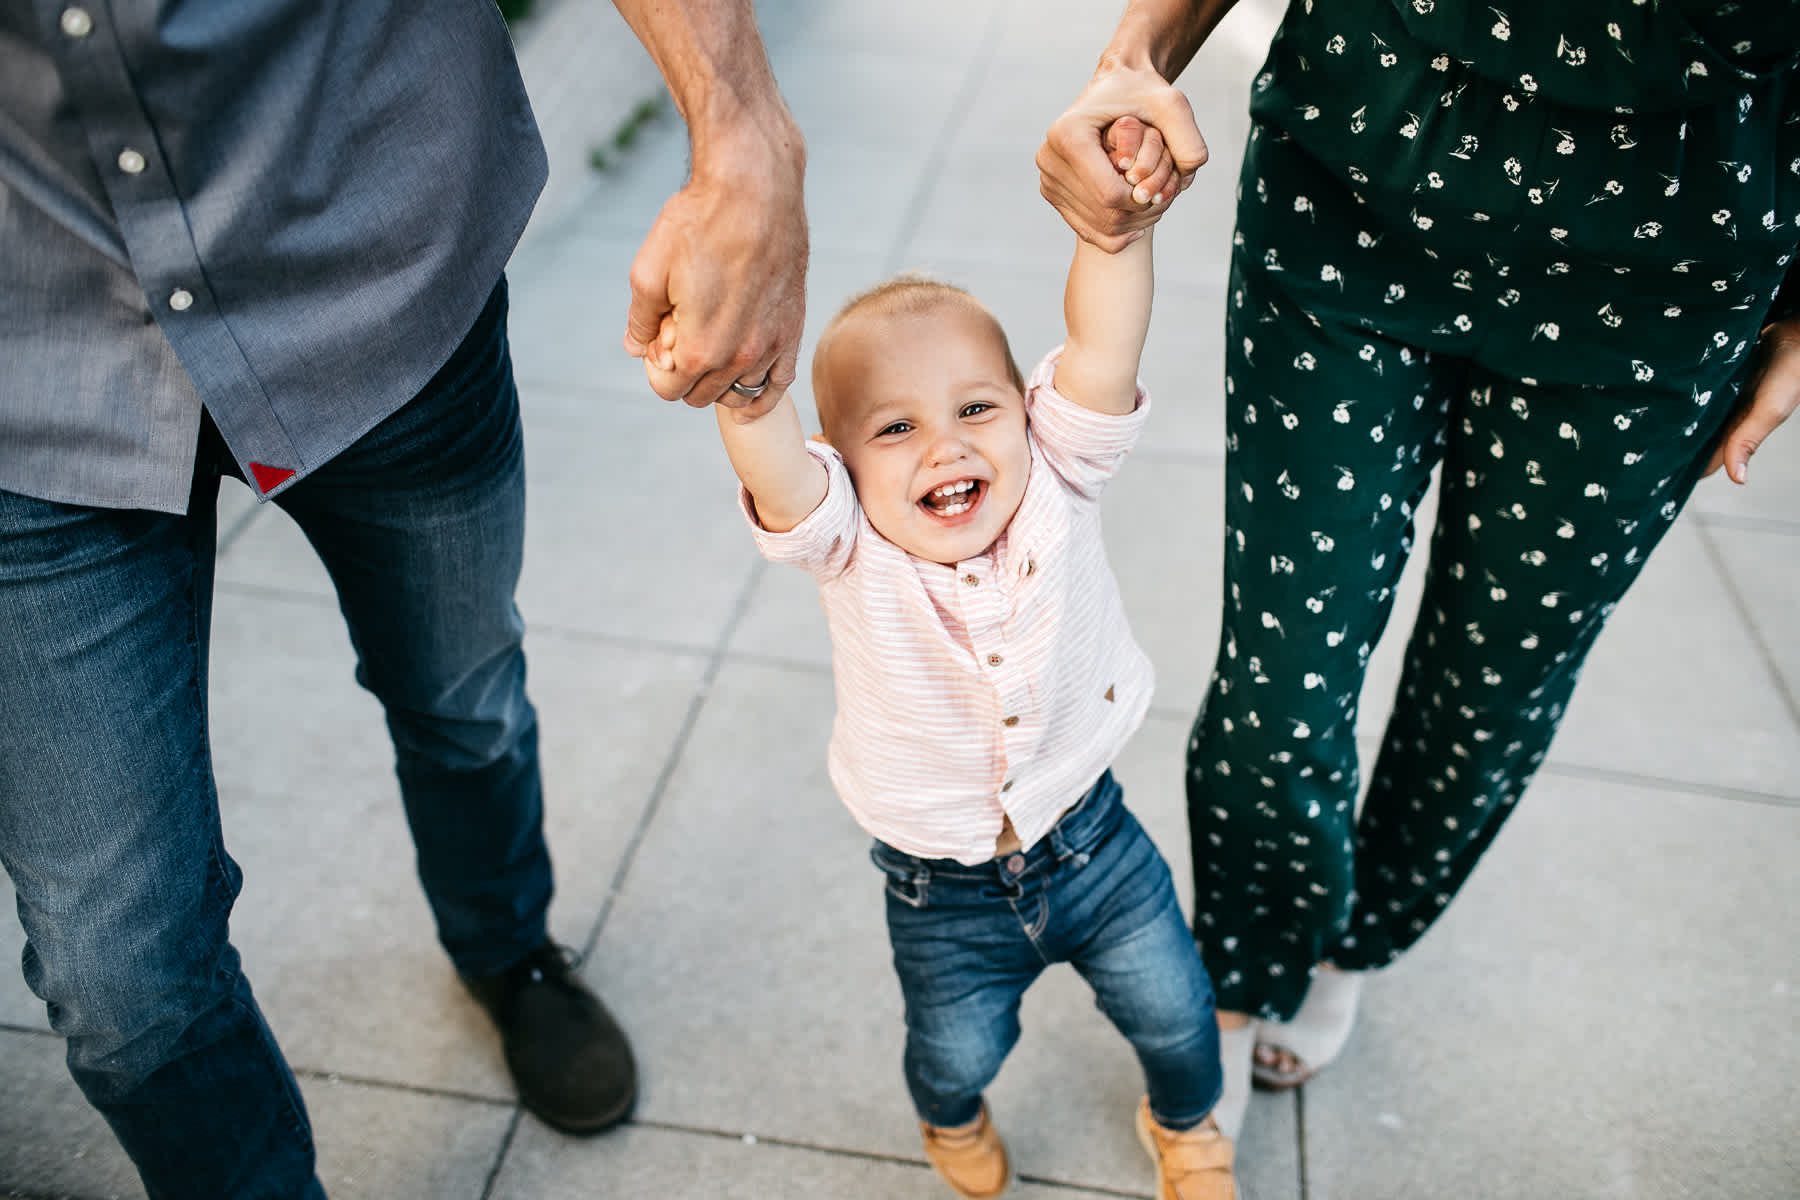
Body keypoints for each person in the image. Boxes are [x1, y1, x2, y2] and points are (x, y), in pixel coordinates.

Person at [0, 1, 805, 1195]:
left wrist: (741, 129)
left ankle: (508, 951)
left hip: (374, 261)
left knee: (462, 691)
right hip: (33, 367)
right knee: (120, 977)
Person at [1038, 0, 1800, 1138]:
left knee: (1492, 687)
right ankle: (1241, 980)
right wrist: (1135, 54)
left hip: (1673, 260)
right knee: (1283, 676)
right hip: (1366, 163)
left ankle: (1357, 937)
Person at [652, 122, 1235, 1200]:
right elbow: (779, 470)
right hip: (940, 890)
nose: (946, 447)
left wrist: (1119, 229)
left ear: (1026, 410)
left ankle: (1189, 1125)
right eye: (896, 429)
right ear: (844, 465)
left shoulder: (1058, 473)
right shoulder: (846, 541)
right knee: (953, 1049)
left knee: (1179, 1009)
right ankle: (949, 1118)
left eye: (976, 408)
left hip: (1096, 841)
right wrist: (740, 384)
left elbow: (1102, 348)